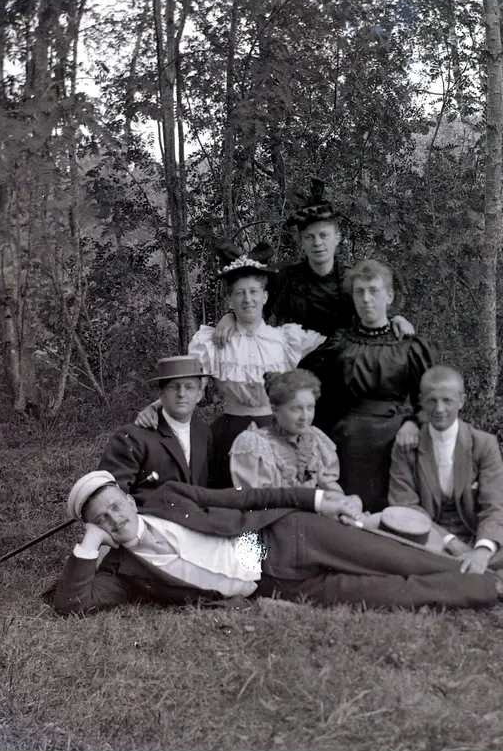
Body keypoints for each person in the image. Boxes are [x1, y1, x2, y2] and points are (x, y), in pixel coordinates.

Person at [45, 469, 503, 616]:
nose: (114, 517)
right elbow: (70, 604)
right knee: (397, 595)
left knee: (402, 558)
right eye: (100, 520)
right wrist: (87, 549)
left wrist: (314, 500)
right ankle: (500, 587)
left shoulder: (169, 495)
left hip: (284, 536)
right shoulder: (123, 573)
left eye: (115, 505)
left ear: (129, 499)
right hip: (275, 586)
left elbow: (246, 495)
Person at [211, 185, 415, 432]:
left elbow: (372, 313)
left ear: (337, 238)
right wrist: (230, 317)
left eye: (324, 235)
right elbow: (253, 309)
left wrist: (395, 320)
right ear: (302, 243)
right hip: (300, 377)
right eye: (309, 237)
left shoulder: (353, 280)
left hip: (346, 379)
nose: (318, 243)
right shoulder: (285, 279)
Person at [134, 246, 327, 486]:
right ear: (231, 299)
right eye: (239, 293)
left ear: (265, 297)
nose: (248, 299)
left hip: (279, 429)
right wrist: (154, 408)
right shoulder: (214, 342)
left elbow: (331, 330)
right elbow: (191, 383)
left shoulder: (286, 340)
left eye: (254, 291)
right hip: (229, 434)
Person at [300, 258, 434, 516]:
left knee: (391, 511)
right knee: (350, 511)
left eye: (374, 291)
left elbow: (428, 397)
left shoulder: (408, 345)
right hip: (347, 437)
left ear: (389, 296)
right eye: (360, 292)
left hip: (395, 436)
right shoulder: (340, 342)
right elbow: (307, 382)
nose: (367, 299)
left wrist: (413, 423)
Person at [388, 366, 503, 577]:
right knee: (394, 547)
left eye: (447, 400)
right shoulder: (406, 447)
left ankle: (449, 572)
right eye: (432, 400)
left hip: (474, 536)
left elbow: (498, 506)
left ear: (462, 400)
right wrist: (451, 543)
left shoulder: (483, 444)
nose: (439, 409)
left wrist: (482, 551)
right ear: (421, 401)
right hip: (430, 538)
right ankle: (487, 576)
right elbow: (405, 507)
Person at [100, 356, 216, 493]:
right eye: (174, 387)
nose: (181, 394)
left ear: (199, 395)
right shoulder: (131, 438)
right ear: (161, 394)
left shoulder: (204, 434)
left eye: (189, 387)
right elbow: (111, 496)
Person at [229, 369, 341, 494]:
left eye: (310, 408)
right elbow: (256, 499)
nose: (305, 417)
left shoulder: (316, 439)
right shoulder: (255, 444)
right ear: (275, 410)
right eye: (296, 409)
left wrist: (346, 502)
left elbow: (329, 487)